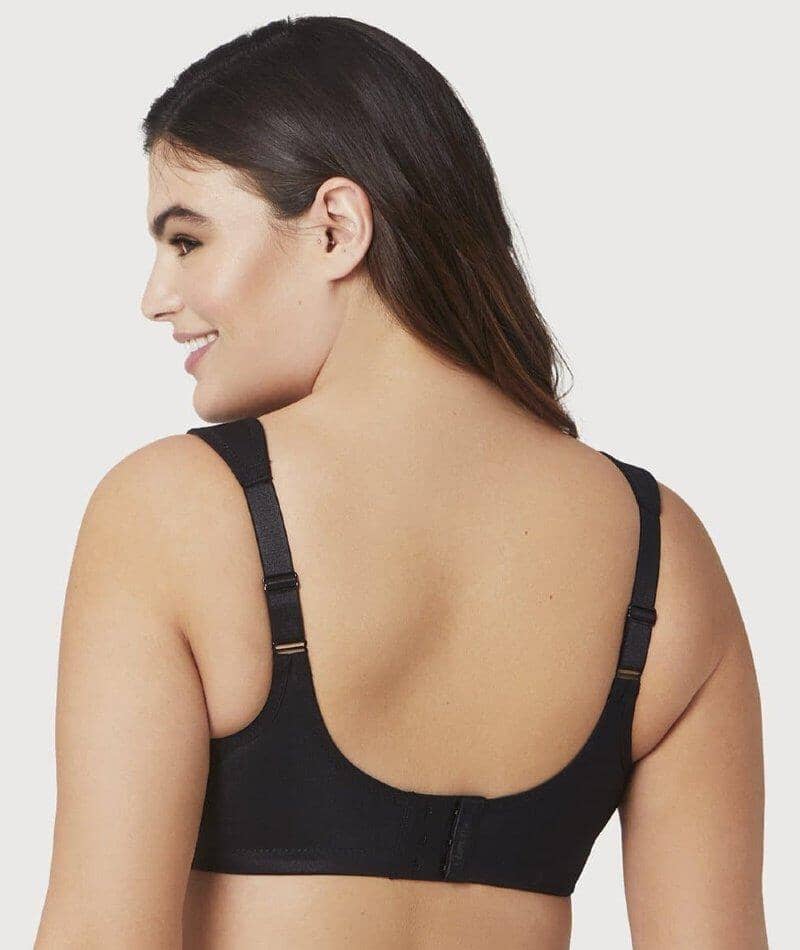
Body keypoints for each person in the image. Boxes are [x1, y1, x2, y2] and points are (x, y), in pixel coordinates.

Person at [35, 15, 767, 950]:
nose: (155, 298)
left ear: (335, 228)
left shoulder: (175, 510)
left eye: (186, 241)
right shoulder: (663, 553)